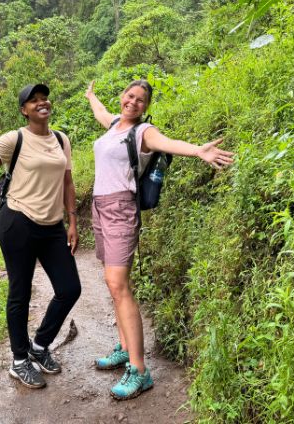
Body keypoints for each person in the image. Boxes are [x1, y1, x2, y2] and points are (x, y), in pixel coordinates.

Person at [85, 79, 234, 400]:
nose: (133, 102)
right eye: (130, 96)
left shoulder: (142, 133)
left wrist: (198, 151)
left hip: (121, 208)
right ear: (122, 97)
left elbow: (168, 142)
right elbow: (100, 112)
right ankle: (125, 348)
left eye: (140, 100)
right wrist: (91, 96)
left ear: (146, 107)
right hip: (100, 208)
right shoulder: (113, 123)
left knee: (118, 283)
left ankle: (140, 371)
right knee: (114, 283)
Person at [0, 83, 81, 390]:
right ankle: (19, 360)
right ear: (24, 110)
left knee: (70, 288)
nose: (41, 103)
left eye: (44, 99)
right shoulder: (14, 139)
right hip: (18, 222)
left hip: (52, 226)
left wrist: (72, 220)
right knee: (20, 292)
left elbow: (68, 182)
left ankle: (40, 345)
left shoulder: (61, 139)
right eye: (34, 101)